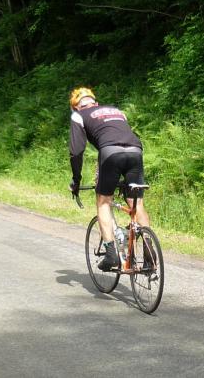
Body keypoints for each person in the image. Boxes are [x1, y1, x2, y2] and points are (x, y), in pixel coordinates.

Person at [68, 87, 150, 271]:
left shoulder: (78, 116)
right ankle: (150, 255)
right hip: (136, 151)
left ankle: (111, 253)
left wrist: (76, 180)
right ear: (95, 103)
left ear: (75, 107)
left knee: (103, 201)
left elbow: (76, 152)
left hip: (110, 153)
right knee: (136, 204)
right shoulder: (116, 111)